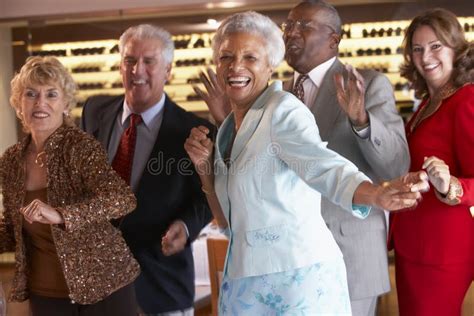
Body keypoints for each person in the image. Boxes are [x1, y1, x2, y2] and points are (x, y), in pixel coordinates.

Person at [184, 11, 428, 315]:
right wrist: (205, 169)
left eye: (250, 57)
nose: (236, 66)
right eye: (226, 57)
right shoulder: (228, 130)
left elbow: (321, 164)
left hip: (296, 279)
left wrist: (375, 193)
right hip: (244, 281)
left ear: (271, 64)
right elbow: (227, 221)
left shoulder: (283, 108)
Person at [81, 24, 213, 315]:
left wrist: (187, 225)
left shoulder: (193, 130)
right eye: (129, 60)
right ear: (120, 66)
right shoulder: (93, 112)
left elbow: (207, 196)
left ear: (168, 70)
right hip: (97, 289)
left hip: (159, 287)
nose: (137, 70)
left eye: (149, 62)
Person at [0, 56, 140, 316]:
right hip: (46, 293)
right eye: (31, 94)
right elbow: (11, 229)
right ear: (19, 104)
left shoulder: (79, 147)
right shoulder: (10, 160)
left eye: (51, 94)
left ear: (65, 104)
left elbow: (122, 199)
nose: (40, 103)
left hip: (104, 286)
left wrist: (62, 214)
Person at [389, 8, 474, 316]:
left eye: (436, 46)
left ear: (457, 49)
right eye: (417, 48)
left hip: (442, 250)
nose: (426, 56)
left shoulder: (466, 100)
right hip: (414, 243)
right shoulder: (430, 101)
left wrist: (449, 185)